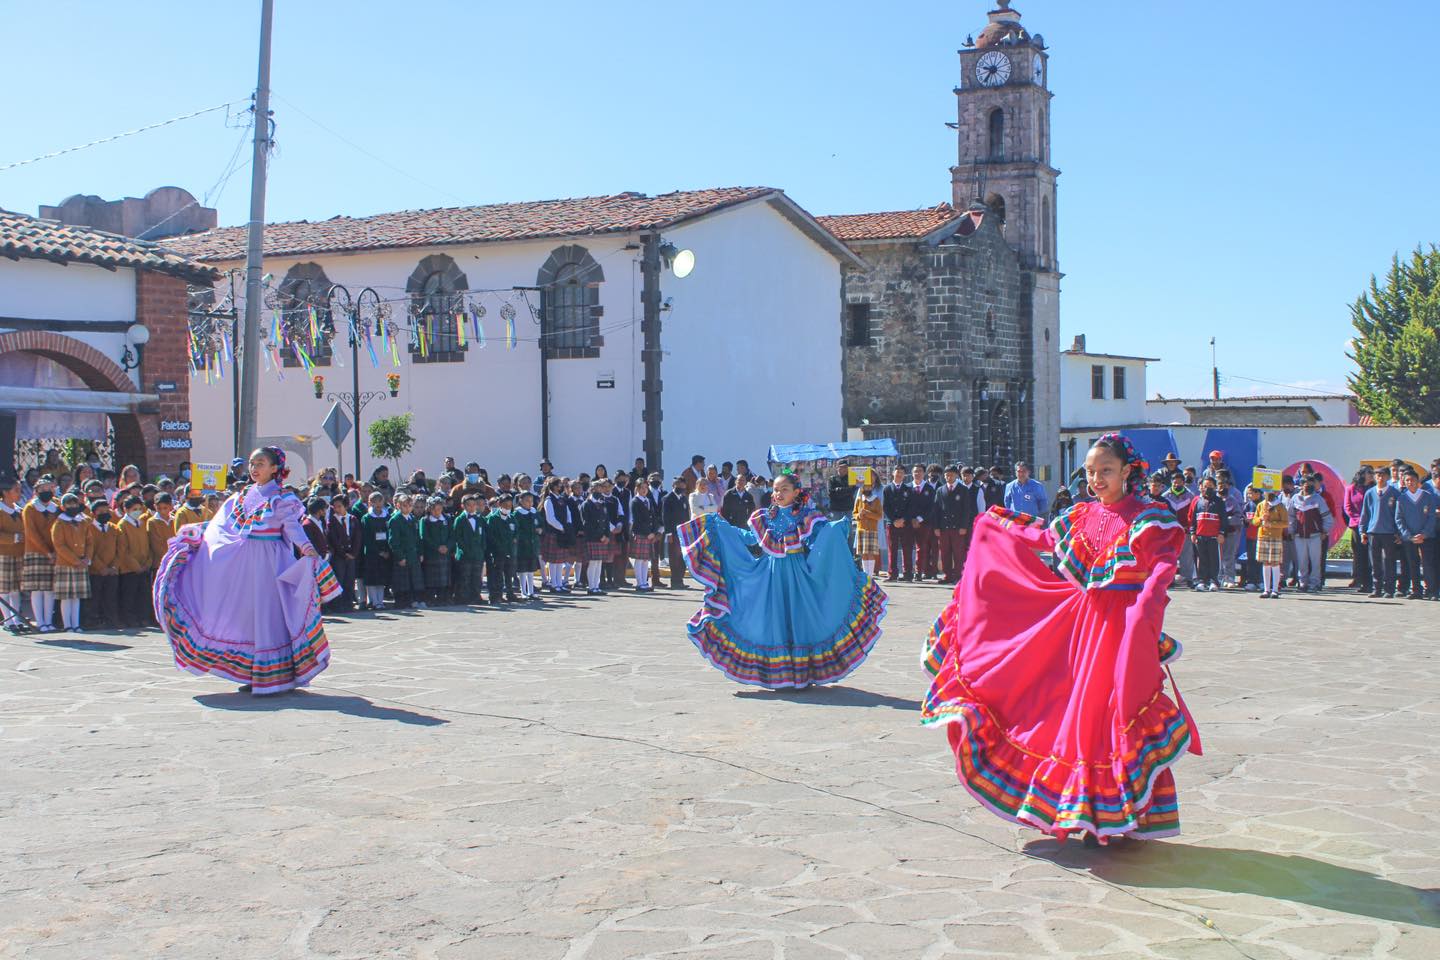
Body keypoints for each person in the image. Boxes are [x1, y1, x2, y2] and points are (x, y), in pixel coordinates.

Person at [921, 433, 1200, 845]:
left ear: (1128, 471)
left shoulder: (1150, 518)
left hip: (1121, 631)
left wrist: (1144, 619)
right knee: (1076, 719)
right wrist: (996, 524)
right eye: (1090, 472)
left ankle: (1121, 812)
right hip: (1083, 630)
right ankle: (1083, 813)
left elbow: (1160, 573)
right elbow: (1043, 537)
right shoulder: (1081, 514)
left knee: (1113, 717)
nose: (1097, 479)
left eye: (1105, 470)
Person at [152, 447, 341, 695]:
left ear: (275, 468)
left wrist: (307, 549)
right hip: (242, 567)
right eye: (252, 463)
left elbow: (293, 528)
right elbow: (222, 527)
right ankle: (254, 673)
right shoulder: (241, 496)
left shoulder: (282, 498)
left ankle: (277, 674)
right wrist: (200, 535)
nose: (254, 468)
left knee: (269, 617)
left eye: (260, 463)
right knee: (248, 617)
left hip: (270, 564)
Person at [677, 471, 887, 688]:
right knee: (773, 618)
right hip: (770, 574)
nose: (778, 494)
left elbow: (817, 541)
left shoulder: (807, 516)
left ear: (796, 492)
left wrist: (833, 532)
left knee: (799, 619)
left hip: (798, 576)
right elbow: (751, 538)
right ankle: (781, 674)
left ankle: (801, 673)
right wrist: (722, 529)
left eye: (784, 489)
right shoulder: (765, 516)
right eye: (776, 490)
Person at [22, 475, 61, 632]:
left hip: (53, 552)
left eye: (49, 489)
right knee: (37, 589)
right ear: (36, 491)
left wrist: (55, 551)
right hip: (36, 552)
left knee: (50, 589)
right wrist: (46, 551)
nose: (46, 492)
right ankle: (40, 621)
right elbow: (31, 533)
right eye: (42, 489)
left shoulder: (56, 508)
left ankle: (49, 621)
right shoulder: (30, 508)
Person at [50, 493, 94, 632]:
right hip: (65, 564)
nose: (72, 507)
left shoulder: (83, 522)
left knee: (77, 597)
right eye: (69, 504)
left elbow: (89, 542)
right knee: (66, 597)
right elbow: (59, 545)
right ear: (63, 507)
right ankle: (67, 624)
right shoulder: (59, 523)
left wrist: (87, 558)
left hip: (82, 562)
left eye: (74, 504)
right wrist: (75, 560)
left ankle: (76, 624)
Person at [1396, 468, 1439, 600]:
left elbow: (1432, 517)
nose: (1410, 482)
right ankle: (1416, 590)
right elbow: (1399, 519)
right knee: (1412, 564)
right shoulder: (1401, 499)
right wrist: (1408, 536)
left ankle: (1432, 591)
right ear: (1404, 482)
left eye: (1412, 480)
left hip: (1427, 537)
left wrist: (1424, 534)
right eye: (1407, 480)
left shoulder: (1427, 496)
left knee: (1428, 564)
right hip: (1410, 539)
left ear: (1417, 481)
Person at [1360, 466, 1401, 599]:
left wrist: (1398, 532)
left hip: (1389, 532)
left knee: (1390, 561)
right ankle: (1376, 588)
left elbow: (1399, 514)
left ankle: (1389, 589)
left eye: (1383, 475)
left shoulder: (1395, 493)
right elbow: (1365, 513)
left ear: (1388, 477)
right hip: (1373, 532)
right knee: (1375, 562)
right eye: (1377, 475)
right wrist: (1363, 531)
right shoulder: (1370, 493)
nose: (1380, 477)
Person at [1290, 475, 1333, 593]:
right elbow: (1291, 517)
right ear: (1301, 485)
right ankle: (1302, 583)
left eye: (1310, 483)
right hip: (1299, 536)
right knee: (1301, 561)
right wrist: (1291, 530)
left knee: (1315, 561)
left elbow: (1327, 517)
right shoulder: (1294, 498)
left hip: (1315, 535)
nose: (1308, 485)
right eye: (1305, 483)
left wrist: (1324, 531)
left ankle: (1315, 583)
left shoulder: (1318, 499)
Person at [115, 495, 152, 628]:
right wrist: (136, 566)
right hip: (130, 568)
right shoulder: (122, 525)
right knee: (129, 596)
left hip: (144, 566)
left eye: (139, 508)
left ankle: (142, 618)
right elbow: (124, 551)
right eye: (134, 509)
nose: (138, 511)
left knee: (143, 595)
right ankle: (129, 619)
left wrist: (147, 562)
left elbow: (147, 545)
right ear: (126, 509)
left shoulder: (141, 523)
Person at [85, 499, 121, 630]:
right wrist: (101, 568)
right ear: (94, 513)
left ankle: (111, 620)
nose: (105, 513)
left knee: (110, 597)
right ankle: (93, 621)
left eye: (107, 511)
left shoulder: (114, 528)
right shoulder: (88, 528)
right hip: (96, 571)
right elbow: (90, 551)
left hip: (112, 571)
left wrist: (113, 567)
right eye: (101, 511)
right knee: (95, 598)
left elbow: (119, 550)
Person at [387, 494, 424, 609]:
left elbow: (418, 538)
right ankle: (403, 602)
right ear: (398, 506)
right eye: (404, 505)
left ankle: (415, 599)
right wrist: (400, 556)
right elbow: (393, 541)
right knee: (402, 581)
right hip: (403, 555)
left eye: (409, 505)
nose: (407, 508)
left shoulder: (412, 518)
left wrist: (420, 552)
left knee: (414, 579)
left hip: (413, 554)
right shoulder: (395, 520)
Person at [358, 491, 393, 610]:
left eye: (380, 501)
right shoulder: (366, 518)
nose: (378, 504)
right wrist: (378, 551)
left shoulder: (387, 516)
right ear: (370, 503)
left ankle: (380, 601)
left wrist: (387, 551)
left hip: (385, 552)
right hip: (372, 553)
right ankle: (374, 601)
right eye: (375, 501)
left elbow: (390, 534)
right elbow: (367, 538)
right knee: (372, 579)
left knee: (381, 579)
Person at [1189, 477, 1225, 592]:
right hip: (1200, 536)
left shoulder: (1219, 502)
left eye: (1210, 486)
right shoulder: (1198, 502)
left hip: (1214, 536)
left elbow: (1224, 519)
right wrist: (1193, 533)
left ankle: (1214, 581)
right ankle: (1201, 581)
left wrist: (1221, 533)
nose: (1207, 489)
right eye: (1205, 486)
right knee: (1201, 559)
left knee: (1214, 559)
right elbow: (1193, 519)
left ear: (1214, 487)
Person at [0, 478, 26, 634]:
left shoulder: (19, 510)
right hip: (3, 554)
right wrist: (14, 538)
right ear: (5, 492)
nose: (19, 493)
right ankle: (7, 620)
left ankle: (16, 619)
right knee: (4, 589)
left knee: (16, 589)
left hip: (18, 554)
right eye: (16, 490)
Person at [1254, 489, 1289, 598]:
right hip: (1263, 536)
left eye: (1271, 493)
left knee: (1275, 563)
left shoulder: (1280, 506)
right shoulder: (1261, 505)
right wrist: (1260, 519)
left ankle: (1275, 589)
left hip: (1275, 536)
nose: (1268, 495)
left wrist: (1271, 524)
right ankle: (1266, 589)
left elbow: (1285, 523)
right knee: (1265, 563)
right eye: (1266, 493)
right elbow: (1254, 521)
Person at [882, 466, 915, 582]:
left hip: (905, 524)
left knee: (907, 548)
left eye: (901, 473)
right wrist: (894, 520)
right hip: (892, 524)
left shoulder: (909, 489)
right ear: (893, 474)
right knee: (893, 549)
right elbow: (885, 507)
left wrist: (903, 520)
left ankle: (908, 574)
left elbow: (911, 508)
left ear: (904, 475)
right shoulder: (887, 489)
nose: (899, 475)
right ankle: (892, 574)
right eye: (897, 473)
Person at [325, 495, 358, 612]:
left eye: (340, 506)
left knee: (350, 580)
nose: (337, 509)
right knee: (340, 579)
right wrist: (343, 554)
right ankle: (338, 604)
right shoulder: (331, 522)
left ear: (346, 506)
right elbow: (334, 540)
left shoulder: (353, 519)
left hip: (351, 555)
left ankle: (348, 603)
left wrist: (353, 553)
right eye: (335, 507)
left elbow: (358, 538)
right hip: (340, 556)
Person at [1345, 466, 1374, 593]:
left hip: (1372, 525)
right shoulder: (1351, 488)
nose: (1372, 475)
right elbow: (1347, 507)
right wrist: (1358, 521)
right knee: (1360, 556)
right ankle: (1363, 583)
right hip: (1357, 526)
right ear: (1362, 474)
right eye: (1369, 473)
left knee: (1372, 556)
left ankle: (1374, 582)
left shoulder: (1374, 488)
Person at [420, 497, 453, 606]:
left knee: (444, 578)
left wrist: (447, 546)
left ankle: (443, 598)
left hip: (445, 554)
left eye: (439, 509)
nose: (436, 512)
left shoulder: (447, 519)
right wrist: (437, 547)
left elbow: (452, 535)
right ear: (429, 509)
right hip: (432, 554)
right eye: (434, 509)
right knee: (431, 579)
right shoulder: (425, 520)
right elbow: (424, 537)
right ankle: (430, 598)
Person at [486, 494, 520, 604]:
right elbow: (491, 536)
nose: (507, 508)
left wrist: (515, 538)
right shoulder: (493, 518)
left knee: (509, 573)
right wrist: (499, 547)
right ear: (499, 504)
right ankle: (497, 595)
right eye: (505, 505)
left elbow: (516, 531)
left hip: (509, 550)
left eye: (510, 506)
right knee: (498, 574)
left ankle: (510, 593)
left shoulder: (512, 517)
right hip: (497, 552)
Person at [581, 484, 612, 595]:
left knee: (599, 563)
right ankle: (591, 587)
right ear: (592, 490)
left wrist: (607, 535)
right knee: (593, 563)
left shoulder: (602, 503)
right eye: (598, 488)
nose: (600, 490)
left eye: (601, 488)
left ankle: (596, 586)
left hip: (603, 538)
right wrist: (600, 536)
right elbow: (588, 524)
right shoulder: (586, 504)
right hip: (592, 538)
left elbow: (606, 521)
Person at [629, 482, 660, 592]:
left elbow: (654, 517)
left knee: (646, 560)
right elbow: (638, 520)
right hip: (641, 533)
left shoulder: (648, 501)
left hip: (650, 534)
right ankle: (639, 583)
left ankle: (644, 582)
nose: (644, 490)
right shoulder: (635, 502)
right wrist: (648, 533)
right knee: (639, 559)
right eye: (641, 488)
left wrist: (654, 531)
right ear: (637, 488)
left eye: (646, 488)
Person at [662, 477, 692, 590]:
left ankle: (680, 579)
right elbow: (665, 517)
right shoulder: (668, 498)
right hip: (673, 532)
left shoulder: (684, 498)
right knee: (674, 557)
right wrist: (668, 533)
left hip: (683, 532)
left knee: (682, 557)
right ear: (674, 485)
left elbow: (687, 516)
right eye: (679, 484)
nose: (681, 487)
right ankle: (675, 581)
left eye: (683, 485)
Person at [851, 473, 883, 577]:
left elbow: (879, 516)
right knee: (863, 553)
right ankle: (865, 574)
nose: (867, 488)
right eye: (865, 486)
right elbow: (854, 513)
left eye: (869, 486)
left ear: (872, 487)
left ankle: (870, 574)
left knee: (870, 553)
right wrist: (859, 516)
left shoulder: (876, 499)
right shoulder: (860, 499)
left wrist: (868, 514)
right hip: (861, 529)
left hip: (872, 530)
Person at [514, 491, 540, 601]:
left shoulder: (534, 512)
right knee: (522, 570)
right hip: (522, 546)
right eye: (527, 501)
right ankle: (523, 591)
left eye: (531, 501)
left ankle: (531, 591)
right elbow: (517, 529)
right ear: (521, 501)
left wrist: (540, 528)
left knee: (530, 570)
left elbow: (540, 522)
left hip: (532, 545)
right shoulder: (517, 513)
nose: (529, 503)